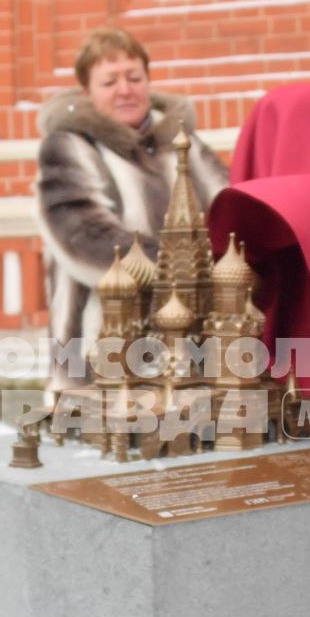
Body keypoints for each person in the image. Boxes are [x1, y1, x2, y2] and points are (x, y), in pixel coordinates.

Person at [36, 28, 229, 386]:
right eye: (109, 82)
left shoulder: (185, 145)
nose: (125, 89)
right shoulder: (69, 147)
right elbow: (84, 236)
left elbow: (230, 212)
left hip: (194, 350)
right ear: (87, 94)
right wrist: (185, 272)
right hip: (99, 355)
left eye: (134, 77)